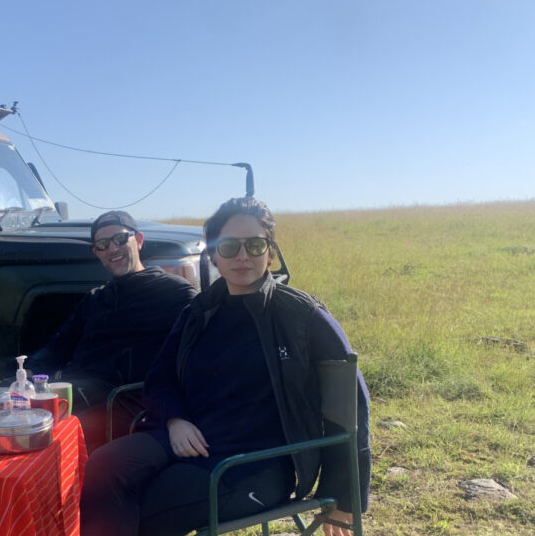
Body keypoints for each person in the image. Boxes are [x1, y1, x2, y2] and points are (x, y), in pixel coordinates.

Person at [80, 197, 371, 536]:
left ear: (270, 252)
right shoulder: (199, 311)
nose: (242, 256)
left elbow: (351, 404)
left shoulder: (300, 316)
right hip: (190, 438)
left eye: (255, 245)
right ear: (214, 255)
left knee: (140, 509)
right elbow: (160, 377)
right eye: (230, 246)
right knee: (104, 465)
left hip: (255, 463)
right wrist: (175, 420)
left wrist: (343, 494)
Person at [25, 210, 198, 452]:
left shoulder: (174, 294)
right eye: (103, 245)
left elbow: (198, 358)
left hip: (121, 400)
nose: (112, 249)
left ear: (138, 240)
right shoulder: (95, 299)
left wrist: (177, 415)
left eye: (120, 239)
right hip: (76, 391)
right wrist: (26, 372)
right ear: (97, 253)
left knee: (38, 436)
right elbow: (59, 346)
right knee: (9, 413)